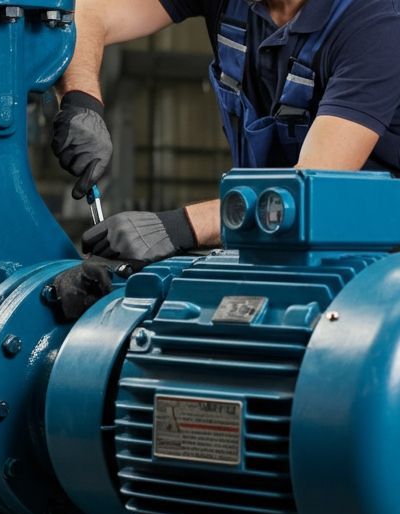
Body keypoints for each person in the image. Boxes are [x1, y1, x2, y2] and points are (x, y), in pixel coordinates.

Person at [50, 0, 400, 319]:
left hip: (377, 272)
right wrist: (82, 99)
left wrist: (180, 227)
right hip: (264, 245)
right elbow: (86, 13)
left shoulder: (377, 24)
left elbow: (306, 192)